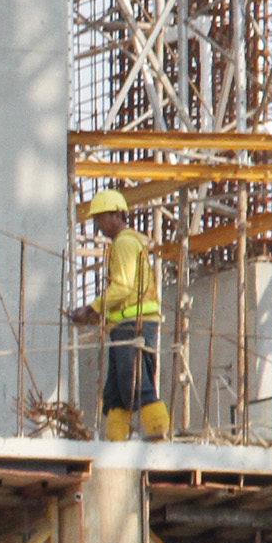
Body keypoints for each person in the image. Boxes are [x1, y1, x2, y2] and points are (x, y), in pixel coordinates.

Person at [66, 189, 170, 441]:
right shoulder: (125, 243)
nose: (98, 225)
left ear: (116, 215)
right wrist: (99, 314)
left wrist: (91, 309)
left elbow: (123, 287)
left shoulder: (124, 243)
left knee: (134, 382)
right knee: (115, 391)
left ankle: (157, 433)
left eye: (101, 219)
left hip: (134, 323)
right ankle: (116, 439)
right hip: (124, 322)